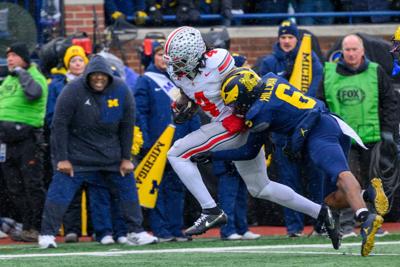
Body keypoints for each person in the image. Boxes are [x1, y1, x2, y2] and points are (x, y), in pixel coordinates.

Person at [163, 26, 339, 248]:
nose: (174, 64)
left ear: (196, 54)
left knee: (177, 153)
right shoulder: (177, 72)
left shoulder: (218, 61)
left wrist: (247, 121)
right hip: (225, 127)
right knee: (260, 188)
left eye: (180, 59)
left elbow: (249, 84)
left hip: (234, 125)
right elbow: (190, 91)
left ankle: (210, 209)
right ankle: (322, 212)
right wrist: (182, 103)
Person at [215, 67, 389, 256]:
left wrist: (212, 155)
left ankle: (365, 217)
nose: (235, 108)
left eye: (236, 103)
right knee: (330, 200)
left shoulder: (258, 113)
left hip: (318, 133)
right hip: (332, 122)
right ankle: (367, 194)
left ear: (247, 94)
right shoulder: (271, 78)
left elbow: (249, 151)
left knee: (340, 175)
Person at [38, 55, 157, 248]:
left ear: (109, 76)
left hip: (111, 156)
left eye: (103, 76)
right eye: (94, 76)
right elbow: (59, 125)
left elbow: (128, 125)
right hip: (77, 156)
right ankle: (46, 235)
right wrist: (62, 159)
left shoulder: (121, 89)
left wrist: (126, 158)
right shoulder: (72, 90)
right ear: (88, 76)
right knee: (59, 193)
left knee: (128, 190)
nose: (99, 79)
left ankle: (136, 231)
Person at [318, 34, 398, 238]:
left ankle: (373, 222)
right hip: (343, 138)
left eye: (355, 49)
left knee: (375, 182)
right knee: (346, 181)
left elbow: (390, 101)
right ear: (342, 51)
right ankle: (345, 224)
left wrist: (388, 130)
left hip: (371, 135)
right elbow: (319, 104)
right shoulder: (329, 73)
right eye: (348, 49)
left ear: (362, 51)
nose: (351, 53)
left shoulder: (375, 71)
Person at [258, 20, 325, 237]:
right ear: (278, 39)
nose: (287, 41)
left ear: (297, 39)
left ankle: (321, 225)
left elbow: (314, 93)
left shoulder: (310, 59)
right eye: (283, 37)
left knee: (317, 180)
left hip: (308, 130)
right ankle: (294, 228)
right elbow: (262, 94)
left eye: (290, 37)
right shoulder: (268, 62)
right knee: (288, 182)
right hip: (281, 134)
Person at [135, 41, 201, 242]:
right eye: (159, 54)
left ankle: (175, 228)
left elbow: (192, 112)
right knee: (158, 187)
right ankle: (161, 230)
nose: (164, 59)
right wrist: (146, 141)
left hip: (181, 144)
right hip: (157, 145)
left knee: (177, 187)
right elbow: (140, 113)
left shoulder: (183, 81)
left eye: (167, 55)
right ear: (152, 58)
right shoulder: (145, 81)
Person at [0, 42, 48, 242]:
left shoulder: (34, 76)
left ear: (24, 58)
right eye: (8, 56)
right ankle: (26, 225)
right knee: (13, 186)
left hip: (28, 139)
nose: (9, 59)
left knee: (32, 184)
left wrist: (22, 73)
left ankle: (37, 227)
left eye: (14, 55)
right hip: (5, 140)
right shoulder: (8, 80)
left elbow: (34, 93)